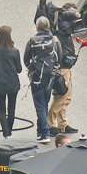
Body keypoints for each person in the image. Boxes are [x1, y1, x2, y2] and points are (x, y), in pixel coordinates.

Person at [24, 16, 61, 144]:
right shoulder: (54, 40)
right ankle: (40, 131)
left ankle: (45, 132)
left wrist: (31, 68)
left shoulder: (32, 40)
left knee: (39, 105)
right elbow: (59, 56)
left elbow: (26, 58)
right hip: (50, 76)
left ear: (38, 27)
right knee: (44, 103)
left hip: (37, 77)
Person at [46, 2, 80, 135]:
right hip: (62, 66)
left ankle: (62, 123)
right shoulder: (62, 27)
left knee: (67, 97)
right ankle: (50, 123)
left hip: (67, 66)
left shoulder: (64, 26)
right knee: (61, 96)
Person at [0, 25, 22, 138]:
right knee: (11, 108)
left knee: (2, 109)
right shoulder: (14, 51)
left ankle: (6, 133)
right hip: (12, 83)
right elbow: (19, 69)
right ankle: (10, 130)